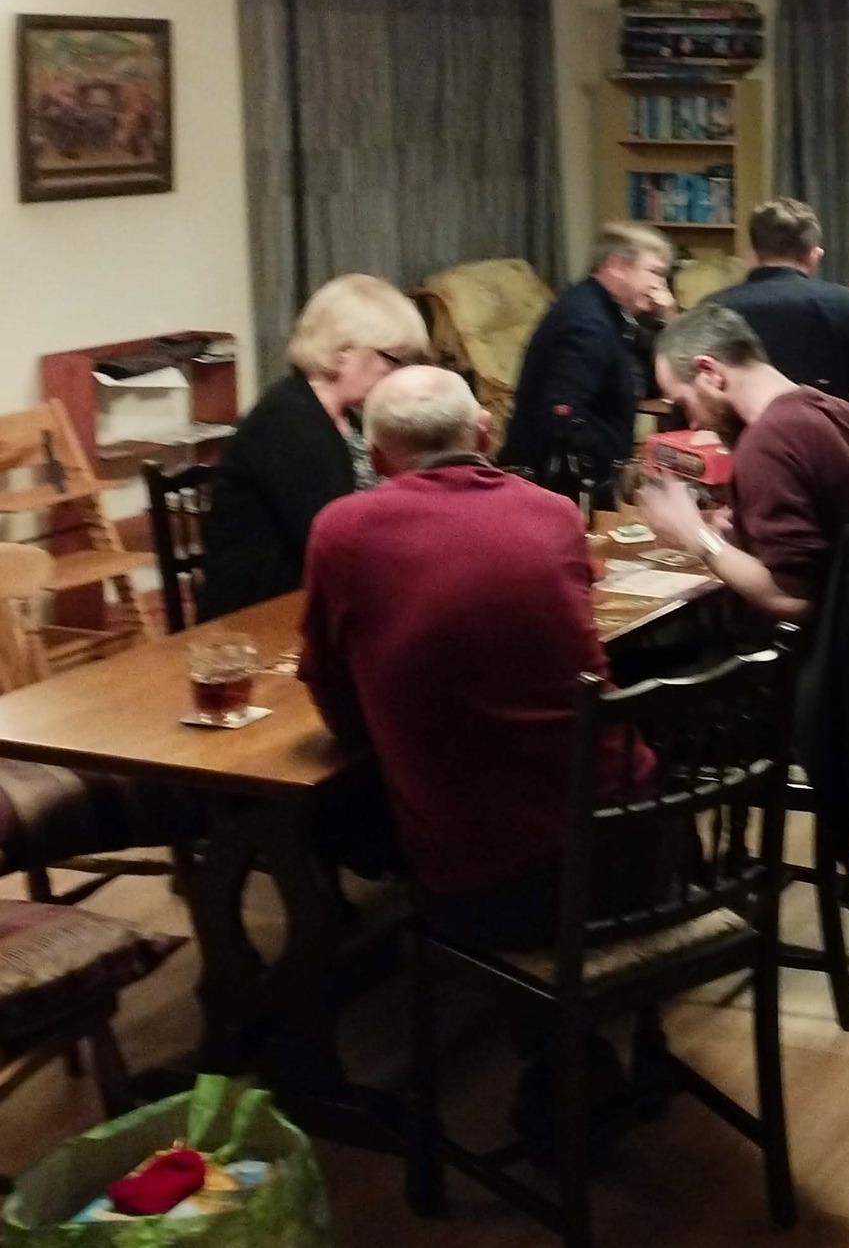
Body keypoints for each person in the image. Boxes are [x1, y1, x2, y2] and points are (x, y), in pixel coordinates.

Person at [298, 365, 651, 948]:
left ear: (378, 460)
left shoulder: (342, 531)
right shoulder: (553, 512)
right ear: (484, 434)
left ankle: (325, 968)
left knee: (334, 807)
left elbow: (333, 698)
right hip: (635, 846)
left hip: (492, 886)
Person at [638, 304, 849, 626]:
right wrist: (744, 534)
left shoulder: (767, 443)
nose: (693, 424)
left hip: (826, 657)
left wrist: (694, 532)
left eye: (685, 405)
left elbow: (793, 597)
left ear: (710, 373)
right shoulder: (837, 409)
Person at [199, 274, 429, 621]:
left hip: (315, 602)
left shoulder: (341, 419)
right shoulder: (287, 423)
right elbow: (335, 541)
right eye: (392, 358)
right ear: (344, 354)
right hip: (262, 618)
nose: (396, 373)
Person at [498, 222, 674, 488]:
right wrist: (612, 466)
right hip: (557, 483)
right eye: (654, 272)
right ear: (616, 265)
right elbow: (563, 414)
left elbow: (649, 384)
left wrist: (663, 319)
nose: (660, 286)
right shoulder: (587, 322)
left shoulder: (610, 313)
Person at [708, 199, 849, 420]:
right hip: (816, 447)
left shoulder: (711, 308)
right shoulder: (840, 304)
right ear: (813, 256)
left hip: (734, 447)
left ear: (752, 255)